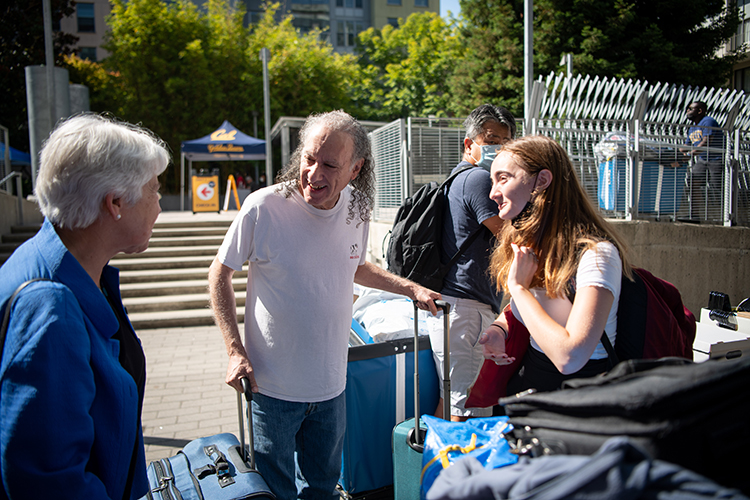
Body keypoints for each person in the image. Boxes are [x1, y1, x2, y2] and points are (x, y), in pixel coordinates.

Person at [208, 110, 440, 500]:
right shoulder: (263, 207)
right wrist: (234, 349)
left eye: (330, 164)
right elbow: (219, 274)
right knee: (276, 491)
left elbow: (355, 267)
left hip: (332, 386)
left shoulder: (358, 207)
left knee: (322, 488)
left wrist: (410, 288)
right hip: (271, 389)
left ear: (355, 168)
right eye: (309, 158)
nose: (314, 173)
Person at [0, 114, 169, 499]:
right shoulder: (49, 309)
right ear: (115, 203)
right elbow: (52, 482)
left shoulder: (73, 268)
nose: (158, 205)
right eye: (154, 190)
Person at [480, 135, 632, 394]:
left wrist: (518, 288)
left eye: (503, 178)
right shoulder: (534, 245)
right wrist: (500, 327)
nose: (493, 193)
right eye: (493, 180)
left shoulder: (597, 255)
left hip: (580, 402)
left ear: (541, 181)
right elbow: (540, 305)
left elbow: (570, 357)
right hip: (533, 388)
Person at [430, 104, 515, 421]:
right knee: (468, 408)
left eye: (505, 142)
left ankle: (436, 469)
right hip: (466, 309)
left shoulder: (457, 178)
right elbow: (508, 233)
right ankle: (465, 470)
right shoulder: (478, 178)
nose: (499, 148)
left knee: (452, 402)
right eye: (491, 139)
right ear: (470, 144)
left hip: (456, 308)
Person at [680, 101, 725, 218]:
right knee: (693, 181)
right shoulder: (692, 128)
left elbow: (706, 142)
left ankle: (727, 215)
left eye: (690, 109)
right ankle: (694, 214)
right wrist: (672, 152)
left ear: (699, 111)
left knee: (718, 187)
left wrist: (691, 154)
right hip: (702, 159)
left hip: (716, 159)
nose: (687, 112)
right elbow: (686, 147)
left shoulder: (708, 121)